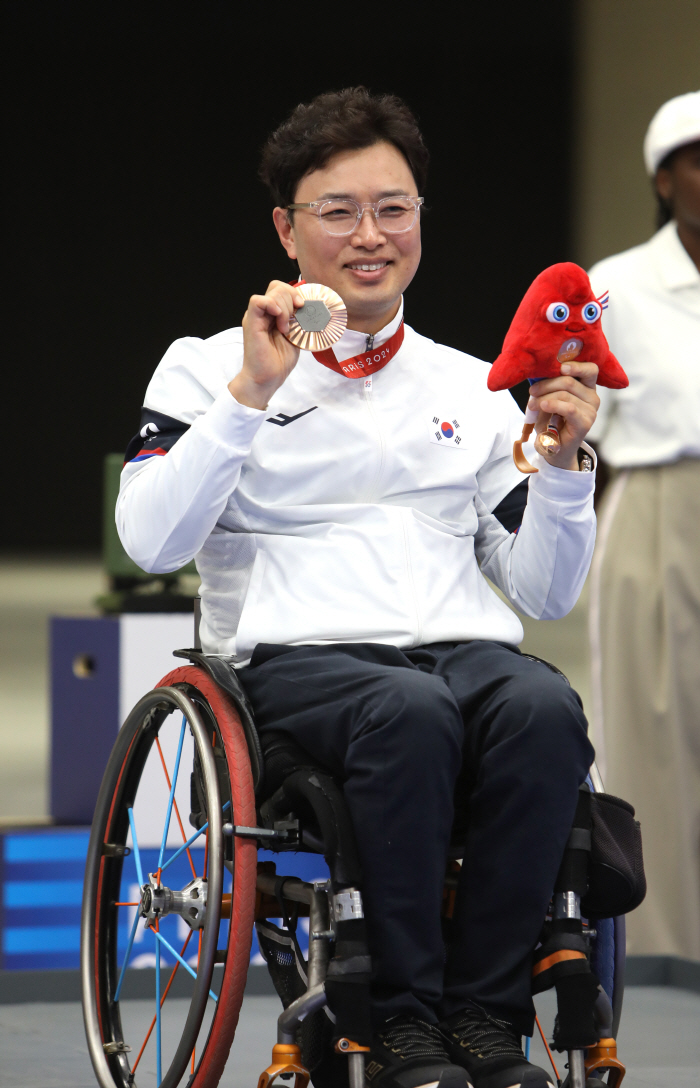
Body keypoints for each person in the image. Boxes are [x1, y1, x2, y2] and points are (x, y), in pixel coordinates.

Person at [117, 87, 601, 1088]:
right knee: (408, 708)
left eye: (394, 208)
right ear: (287, 230)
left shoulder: (472, 386)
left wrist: (559, 470)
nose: (370, 234)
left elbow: (544, 595)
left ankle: (485, 1022)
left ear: (421, 219)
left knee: (545, 704)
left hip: (459, 656)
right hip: (292, 664)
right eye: (338, 211)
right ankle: (401, 1023)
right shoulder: (207, 368)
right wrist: (252, 396)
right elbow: (151, 537)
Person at [587, 91, 700, 962]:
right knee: (653, 733)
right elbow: (573, 419)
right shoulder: (613, 285)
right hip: (661, 510)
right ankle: (664, 951)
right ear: (666, 179)